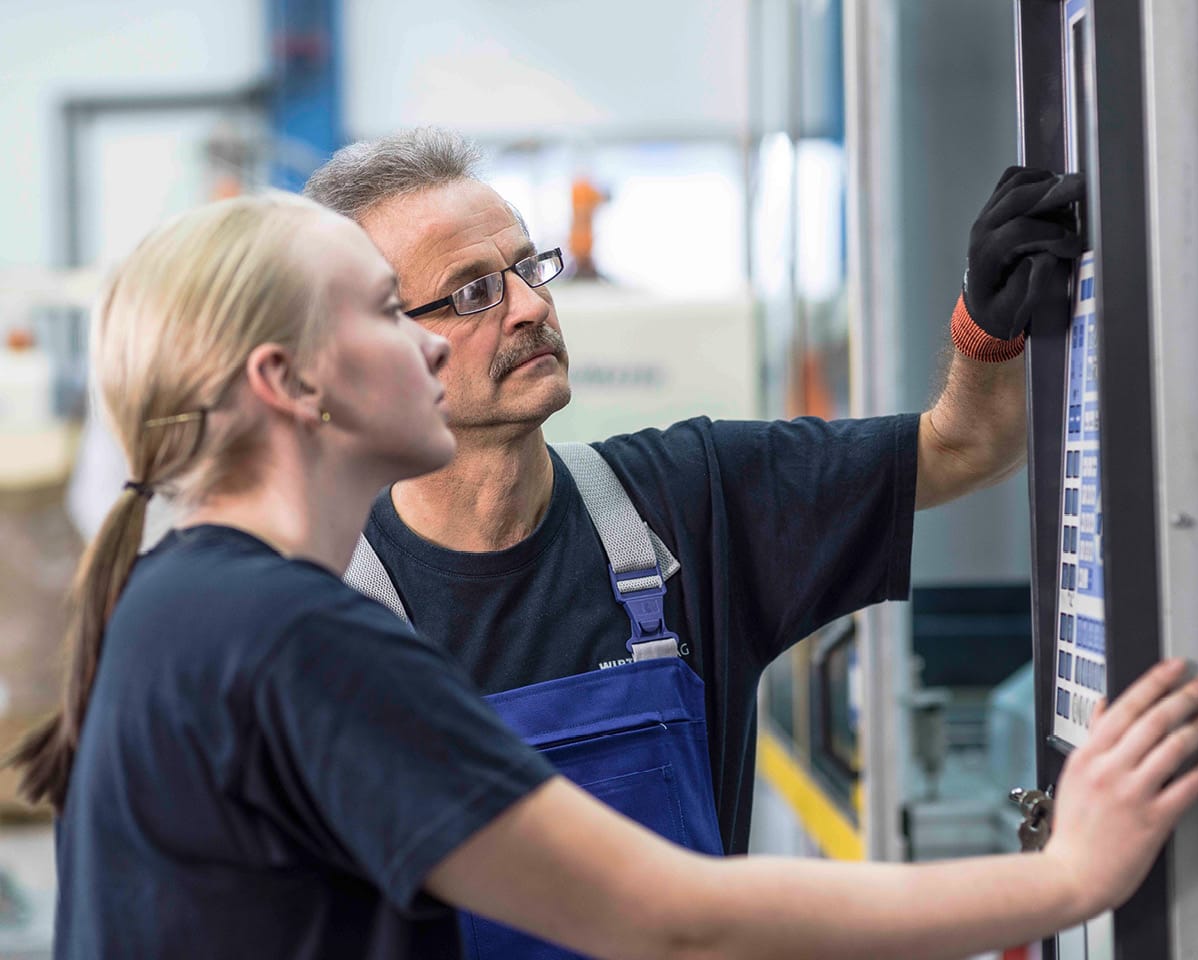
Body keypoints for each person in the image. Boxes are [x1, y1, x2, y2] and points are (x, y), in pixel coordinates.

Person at [4, 192, 1198, 960]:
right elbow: (667, 920)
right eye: (399, 309)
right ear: (289, 382)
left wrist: (990, 335)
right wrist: (1065, 878)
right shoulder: (292, 635)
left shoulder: (190, 604)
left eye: (525, 268)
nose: (446, 337)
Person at [302, 129, 1080, 866]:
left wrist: (988, 320)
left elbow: (965, 447)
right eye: (474, 292)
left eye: (528, 268)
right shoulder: (314, 615)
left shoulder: (691, 501)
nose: (533, 306)